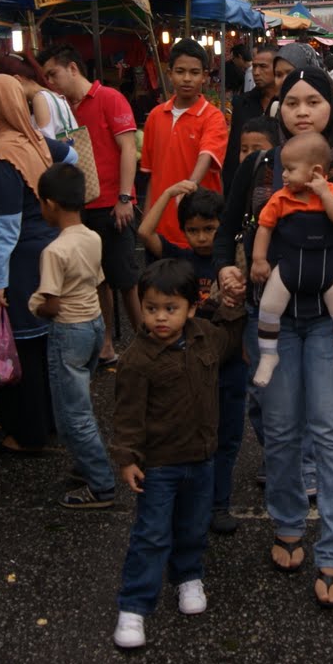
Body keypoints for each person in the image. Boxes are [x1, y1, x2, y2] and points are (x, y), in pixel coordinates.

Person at [213, 68, 333, 607]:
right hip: (271, 319)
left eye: (313, 101)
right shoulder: (258, 168)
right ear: (278, 110)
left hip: (330, 320)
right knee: (281, 428)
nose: (301, 111)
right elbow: (227, 234)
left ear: (331, 109)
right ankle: (288, 523)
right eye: (291, 102)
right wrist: (226, 270)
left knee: (332, 433)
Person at [110, 258, 246, 649]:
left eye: (171, 309)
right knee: (151, 534)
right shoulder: (138, 359)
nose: (160, 318)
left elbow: (229, 336)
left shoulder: (205, 337)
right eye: (151, 309)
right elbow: (128, 415)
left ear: (191, 307)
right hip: (159, 465)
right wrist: (128, 458)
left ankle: (188, 576)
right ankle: (134, 606)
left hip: (201, 460)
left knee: (192, 526)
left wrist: (234, 303)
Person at [0, 74, 77, 457]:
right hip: (46, 250)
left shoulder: (4, 153)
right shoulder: (33, 140)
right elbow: (69, 155)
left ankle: (24, 434)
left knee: (19, 349)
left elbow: (3, 227)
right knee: (41, 348)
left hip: (19, 263)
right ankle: (48, 424)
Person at [137, 185, 245, 534]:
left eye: (210, 229)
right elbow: (144, 232)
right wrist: (167, 195)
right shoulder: (178, 261)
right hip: (187, 371)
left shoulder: (232, 262)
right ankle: (192, 506)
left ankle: (219, 504)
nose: (201, 237)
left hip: (228, 367)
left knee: (226, 438)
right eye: (193, 230)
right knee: (193, 438)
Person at [40, 46, 140, 363]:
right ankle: (107, 344)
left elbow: (128, 148)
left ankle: (146, 345)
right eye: (45, 78)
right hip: (82, 206)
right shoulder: (61, 109)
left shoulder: (109, 98)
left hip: (113, 203)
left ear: (72, 68)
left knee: (126, 279)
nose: (50, 83)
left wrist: (125, 197)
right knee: (98, 281)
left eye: (52, 74)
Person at [30, 163, 115, 509]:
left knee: (72, 413)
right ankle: (85, 465)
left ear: (49, 204)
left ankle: (101, 485)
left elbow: (50, 305)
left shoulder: (54, 251)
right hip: (93, 325)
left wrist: (31, 303)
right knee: (78, 402)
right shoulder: (92, 237)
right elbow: (99, 282)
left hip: (68, 331)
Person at [250, 132, 333, 392]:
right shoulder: (281, 197)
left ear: (316, 171)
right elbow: (264, 228)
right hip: (288, 271)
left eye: (290, 169)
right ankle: (268, 354)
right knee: (268, 307)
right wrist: (258, 260)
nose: (284, 175)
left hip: (330, 272)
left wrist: (325, 196)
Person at [141, 41, 228, 252]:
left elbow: (206, 156)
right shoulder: (155, 116)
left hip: (199, 230)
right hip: (160, 230)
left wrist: (188, 187)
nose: (187, 78)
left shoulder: (213, 116)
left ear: (205, 76)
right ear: (169, 74)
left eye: (194, 72)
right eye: (180, 71)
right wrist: (147, 220)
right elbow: (153, 174)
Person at [226, 43, 279, 186]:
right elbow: (234, 148)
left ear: (277, 69)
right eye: (254, 66)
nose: (256, 72)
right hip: (245, 180)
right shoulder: (242, 103)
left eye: (263, 67)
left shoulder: (288, 104)